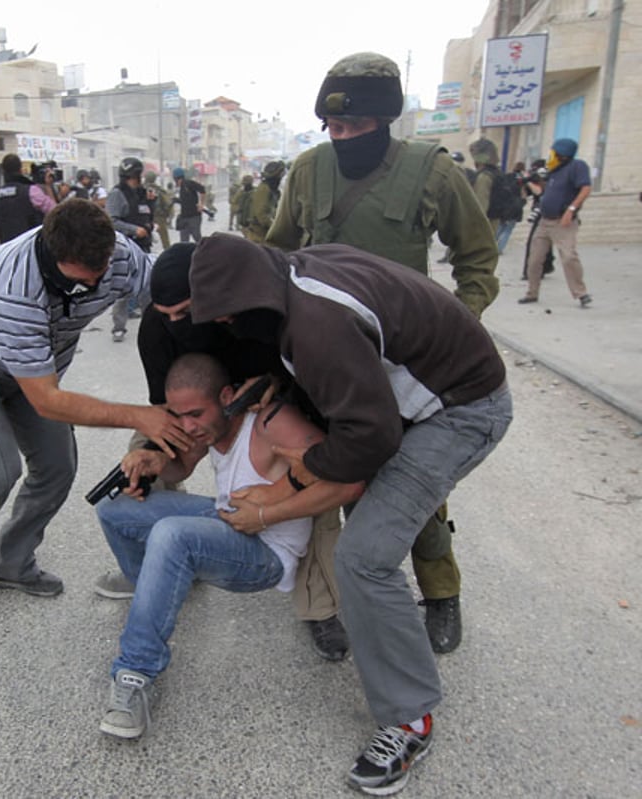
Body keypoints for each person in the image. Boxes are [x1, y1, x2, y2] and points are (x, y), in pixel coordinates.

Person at [189, 234, 512, 796]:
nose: (226, 328)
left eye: (227, 317)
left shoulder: (316, 327)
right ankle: (393, 634)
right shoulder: (296, 272)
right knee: (369, 534)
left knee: (363, 558)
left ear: (248, 302)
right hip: (434, 394)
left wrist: (293, 474)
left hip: (462, 411)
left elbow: (369, 439)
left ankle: (411, 719)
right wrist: (285, 382)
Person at [267, 51, 501, 655]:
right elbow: (274, 253)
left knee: (415, 488)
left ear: (382, 121)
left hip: (408, 367)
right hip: (326, 360)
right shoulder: (309, 171)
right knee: (316, 474)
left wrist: (456, 329)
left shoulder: (432, 171)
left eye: (350, 128)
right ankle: (324, 602)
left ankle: (442, 594)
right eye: (330, 128)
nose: (337, 138)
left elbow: (477, 258)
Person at [0, 199, 193, 632]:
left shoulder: (119, 258)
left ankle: (11, 564)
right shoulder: (12, 285)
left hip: (33, 369)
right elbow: (47, 400)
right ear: (53, 256)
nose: (94, 285)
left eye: (102, 271)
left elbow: (168, 299)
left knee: (57, 466)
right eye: (81, 278)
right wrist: (140, 416)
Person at [97, 244, 349, 661]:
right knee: (136, 482)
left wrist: (274, 385)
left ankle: (318, 607)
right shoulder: (157, 329)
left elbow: (299, 373)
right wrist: (152, 454)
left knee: (315, 490)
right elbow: (165, 412)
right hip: (195, 405)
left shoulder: (252, 312)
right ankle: (160, 569)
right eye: (165, 314)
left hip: (271, 401)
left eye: (183, 311)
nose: (175, 323)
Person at [96, 353, 363, 740]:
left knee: (172, 535)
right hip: (225, 519)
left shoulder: (273, 422)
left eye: (195, 414)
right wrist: (153, 461)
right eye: (178, 415)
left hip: (267, 552)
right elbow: (180, 468)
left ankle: (135, 673)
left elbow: (345, 481)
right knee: (113, 507)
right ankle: (157, 586)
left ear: (225, 396)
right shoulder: (210, 426)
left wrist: (267, 515)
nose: (187, 425)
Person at [519, 137, 592, 308]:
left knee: (568, 256)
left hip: (563, 222)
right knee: (535, 259)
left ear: (563, 154)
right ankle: (532, 292)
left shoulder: (577, 167)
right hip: (544, 221)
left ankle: (581, 293)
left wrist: (571, 210)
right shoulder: (554, 170)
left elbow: (586, 188)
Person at [106, 157, 155, 343]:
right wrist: (134, 230)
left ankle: (151, 326)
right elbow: (112, 221)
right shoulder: (117, 194)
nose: (137, 180)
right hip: (125, 248)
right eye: (135, 177)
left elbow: (147, 213)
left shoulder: (143, 193)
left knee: (147, 287)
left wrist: (151, 214)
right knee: (123, 289)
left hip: (144, 247)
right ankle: (118, 327)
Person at [0, 153, 56, 244]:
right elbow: (55, 212)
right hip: (30, 248)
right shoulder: (32, 191)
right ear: (20, 170)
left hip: (7, 250)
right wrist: (48, 187)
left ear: (3, 171)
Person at [244, 161, 285, 241]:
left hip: (265, 232)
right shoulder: (264, 189)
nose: (281, 176)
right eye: (280, 174)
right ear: (275, 174)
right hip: (259, 234)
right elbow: (261, 214)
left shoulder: (272, 189)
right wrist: (275, 227)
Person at [172, 167, 206, 242]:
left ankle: (203, 252)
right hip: (184, 217)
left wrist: (201, 204)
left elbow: (202, 190)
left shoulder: (189, 183)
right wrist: (175, 200)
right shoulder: (180, 188)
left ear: (176, 178)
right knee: (184, 240)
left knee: (197, 238)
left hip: (194, 217)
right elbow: (185, 201)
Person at [144, 171, 174, 250]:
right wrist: (168, 216)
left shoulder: (139, 189)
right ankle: (169, 256)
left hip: (144, 218)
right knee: (165, 240)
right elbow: (168, 204)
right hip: (159, 217)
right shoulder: (160, 190)